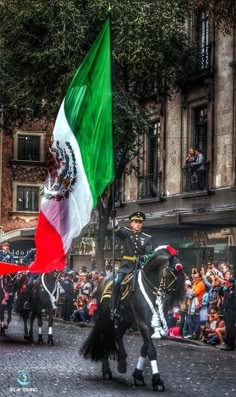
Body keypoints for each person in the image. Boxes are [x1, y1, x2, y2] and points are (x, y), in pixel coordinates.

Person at [112, 211, 152, 318]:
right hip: (126, 266)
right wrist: (115, 223)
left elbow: (149, 254)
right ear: (131, 223)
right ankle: (114, 308)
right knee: (117, 282)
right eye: (135, 222)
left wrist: (143, 257)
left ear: (142, 224)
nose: (138, 224)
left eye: (140, 222)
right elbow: (118, 231)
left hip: (139, 267)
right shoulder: (126, 232)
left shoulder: (147, 237)